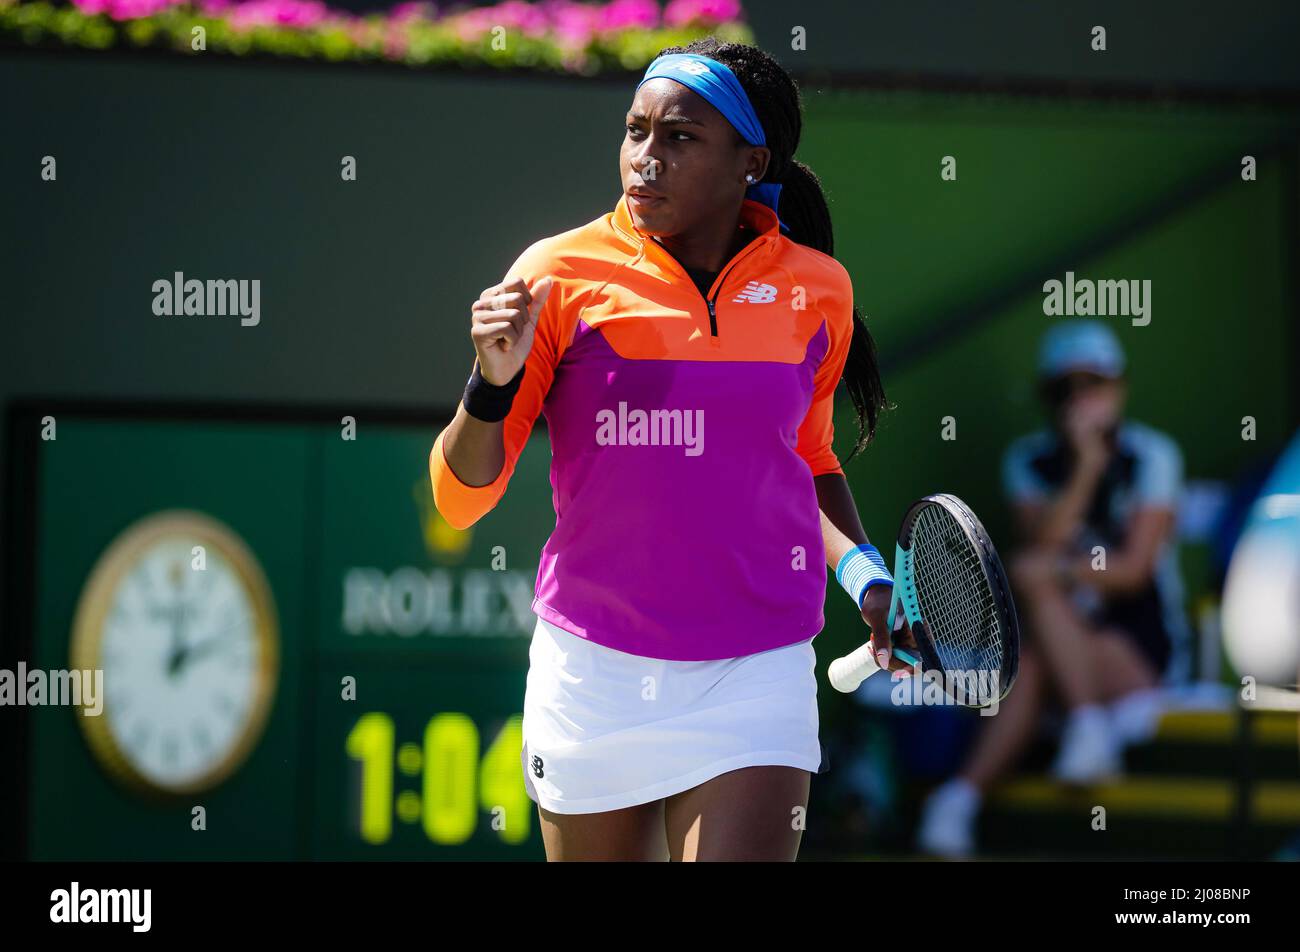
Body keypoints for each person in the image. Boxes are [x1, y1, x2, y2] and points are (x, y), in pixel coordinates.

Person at [429, 38, 913, 861]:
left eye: (679, 137)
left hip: (753, 668)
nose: (645, 159)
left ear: (748, 162)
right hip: (593, 671)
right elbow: (459, 496)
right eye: (635, 132)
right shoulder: (556, 277)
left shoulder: (817, 290)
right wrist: (490, 383)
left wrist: (862, 570)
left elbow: (808, 460)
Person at [917, 319, 1189, 858]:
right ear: (1049, 398)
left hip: (1139, 643)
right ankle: (1074, 734)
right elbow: (1041, 542)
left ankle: (959, 797)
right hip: (1060, 639)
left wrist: (1059, 571)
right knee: (1035, 640)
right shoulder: (1027, 460)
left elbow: (1134, 570)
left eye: (1094, 383)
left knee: (1033, 598)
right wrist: (1086, 469)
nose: (1081, 399)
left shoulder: (1154, 456)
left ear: (1119, 387)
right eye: (1066, 388)